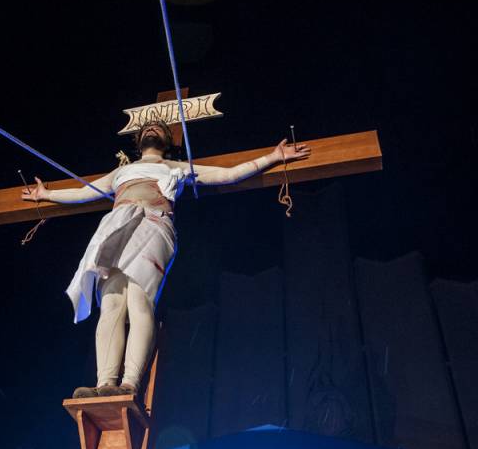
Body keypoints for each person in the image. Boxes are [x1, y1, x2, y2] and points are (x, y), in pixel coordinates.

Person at [21, 119, 311, 398]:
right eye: (147, 128)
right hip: (116, 227)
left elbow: (227, 174)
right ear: (138, 142)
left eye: (158, 128)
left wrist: (273, 157)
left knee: (139, 299)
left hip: (153, 224)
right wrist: (46, 194)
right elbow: (82, 192)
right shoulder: (121, 172)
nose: (152, 129)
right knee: (110, 303)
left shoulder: (176, 167)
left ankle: (129, 383)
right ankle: (104, 384)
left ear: (168, 142)